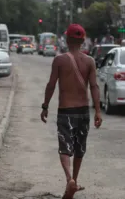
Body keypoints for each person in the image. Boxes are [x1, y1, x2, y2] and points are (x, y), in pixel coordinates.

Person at [40, 24, 103, 199]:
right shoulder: (89, 61)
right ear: (83, 41)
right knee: (79, 148)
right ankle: (74, 179)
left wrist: (45, 106)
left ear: (67, 40)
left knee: (65, 148)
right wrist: (98, 112)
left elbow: (51, 85)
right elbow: (94, 86)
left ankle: (69, 180)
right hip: (83, 112)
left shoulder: (59, 60)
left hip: (65, 111)